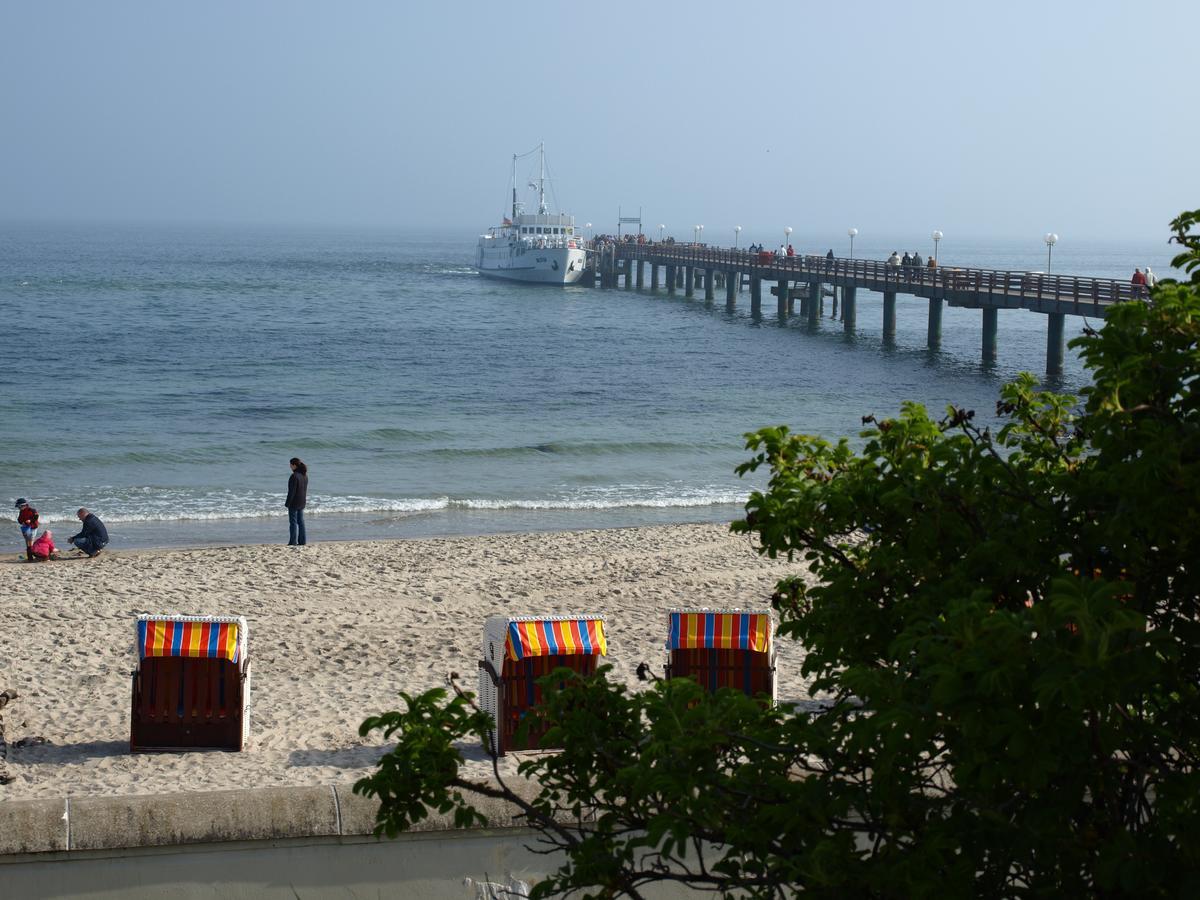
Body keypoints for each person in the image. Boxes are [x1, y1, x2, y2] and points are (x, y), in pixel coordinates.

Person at [286, 457, 308, 546]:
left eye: (290, 465)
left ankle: (293, 542)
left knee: (293, 523)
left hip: (294, 502)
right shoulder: (304, 475)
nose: (290, 466)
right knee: (301, 522)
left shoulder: (294, 476)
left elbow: (292, 492)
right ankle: (302, 541)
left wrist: (287, 503)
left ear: (294, 465)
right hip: (302, 501)